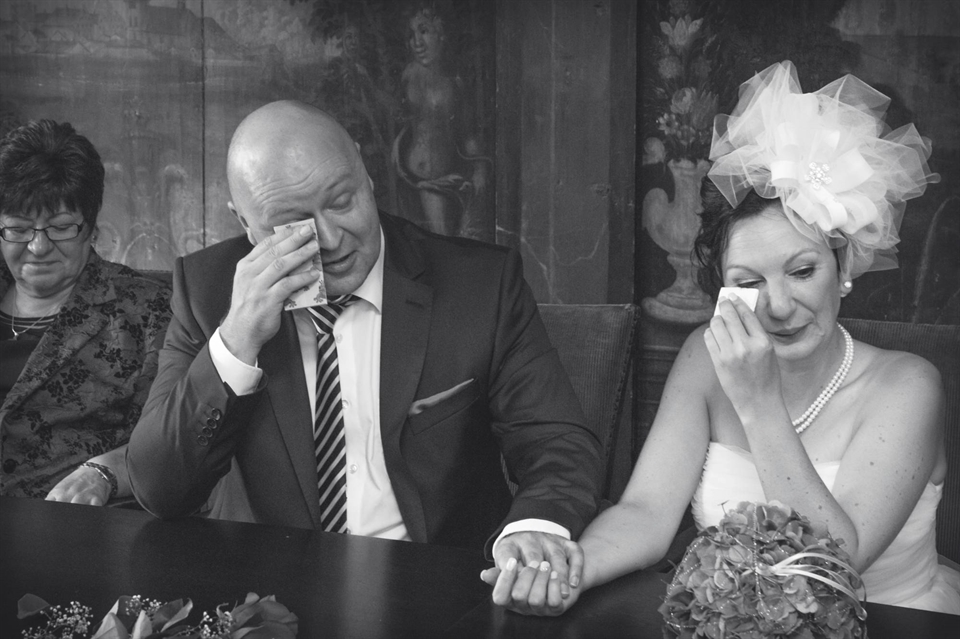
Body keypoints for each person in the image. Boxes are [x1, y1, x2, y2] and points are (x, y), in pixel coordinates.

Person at [484, 60, 960, 615]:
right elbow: (646, 513)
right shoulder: (703, 359)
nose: (779, 306)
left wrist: (758, 401)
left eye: (803, 271)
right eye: (749, 282)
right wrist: (568, 572)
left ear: (844, 266)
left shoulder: (908, 385)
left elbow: (834, 564)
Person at [127, 101, 601, 592]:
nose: (332, 239)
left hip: (440, 591)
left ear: (365, 173)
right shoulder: (208, 291)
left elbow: (557, 441)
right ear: (245, 223)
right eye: (294, 223)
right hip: (265, 593)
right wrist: (237, 339)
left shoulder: (479, 285)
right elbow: (160, 489)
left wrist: (532, 530)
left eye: (341, 201)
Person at [0, 119, 171, 504]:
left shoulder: (144, 311)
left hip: (67, 521)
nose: (38, 247)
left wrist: (105, 472)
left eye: (61, 227)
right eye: (19, 228)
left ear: (92, 229)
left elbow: (171, 442)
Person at [392, 3, 491, 237]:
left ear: (441, 34)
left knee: (441, 240)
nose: (417, 42)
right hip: (408, 178)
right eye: (411, 35)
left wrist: (479, 168)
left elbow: (468, 133)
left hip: (440, 182)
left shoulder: (454, 80)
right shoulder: (408, 75)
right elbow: (399, 120)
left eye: (424, 31)